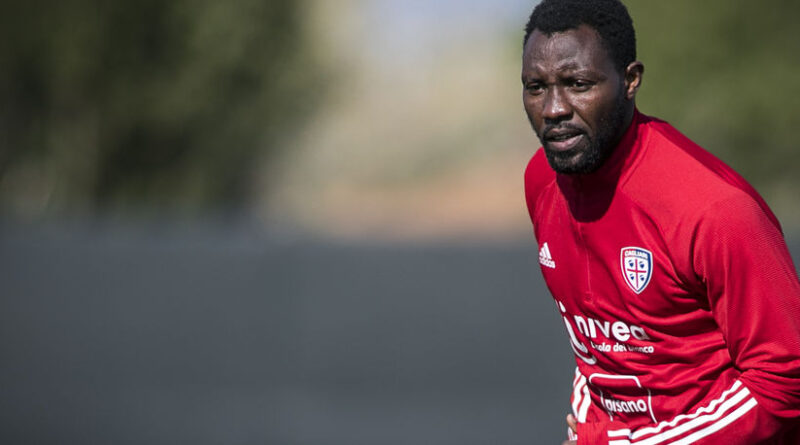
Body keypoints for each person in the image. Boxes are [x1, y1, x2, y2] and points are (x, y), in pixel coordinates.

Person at [520, 0, 800, 444]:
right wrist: (585, 416)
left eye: (577, 84)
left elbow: (785, 381)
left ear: (630, 81)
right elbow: (600, 345)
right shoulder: (542, 180)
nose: (554, 108)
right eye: (536, 87)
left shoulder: (715, 208)